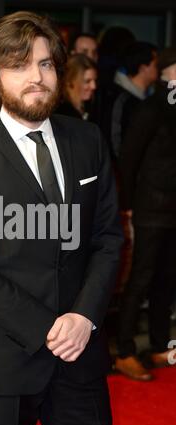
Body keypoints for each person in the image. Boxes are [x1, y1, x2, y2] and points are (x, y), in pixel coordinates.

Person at [0, 11, 123, 425]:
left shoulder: (88, 140)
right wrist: (48, 328)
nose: (36, 77)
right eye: (19, 65)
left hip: (81, 357)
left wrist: (83, 318)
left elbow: (108, 239)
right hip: (5, 360)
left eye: (45, 64)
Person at [115, 48, 176, 381]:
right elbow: (129, 158)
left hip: (171, 210)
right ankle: (124, 350)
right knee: (141, 278)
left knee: (166, 281)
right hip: (150, 207)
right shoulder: (151, 108)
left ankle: (157, 344)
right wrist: (126, 204)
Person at [57, 53, 97, 120]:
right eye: (87, 81)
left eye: (95, 80)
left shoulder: (91, 106)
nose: (94, 86)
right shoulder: (61, 113)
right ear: (70, 81)